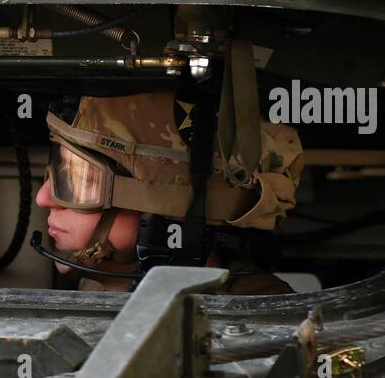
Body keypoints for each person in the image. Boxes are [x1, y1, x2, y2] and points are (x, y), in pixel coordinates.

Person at [34, 86, 304, 294]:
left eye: (77, 180)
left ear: (170, 205)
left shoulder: (261, 323)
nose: (42, 198)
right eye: (56, 173)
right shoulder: (94, 292)